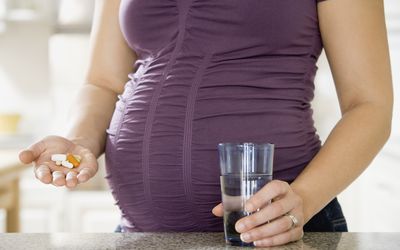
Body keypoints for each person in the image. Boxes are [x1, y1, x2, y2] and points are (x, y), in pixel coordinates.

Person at [19, 0, 393, 247]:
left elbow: (370, 105)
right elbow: (102, 81)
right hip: (144, 236)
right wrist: (79, 140)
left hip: (277, 235)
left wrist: (304, 200)